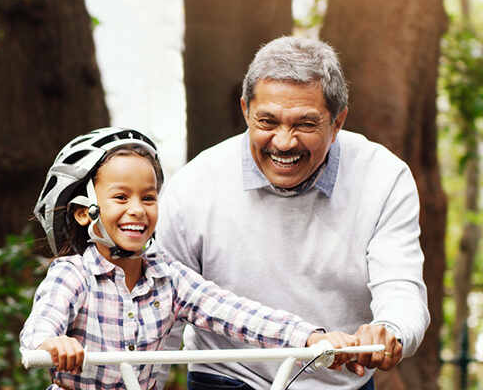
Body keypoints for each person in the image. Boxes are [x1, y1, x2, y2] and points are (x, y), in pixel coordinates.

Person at [155, 36, 431, 390]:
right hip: (226, 378)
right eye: (267, 121)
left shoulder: (382, 177)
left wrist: (391, 330)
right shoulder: (195, 184)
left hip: (338, 383)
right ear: (245, 111)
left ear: (338, 122)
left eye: (305, 124)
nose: (284, 142)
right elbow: (162, 308)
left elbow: (401, 287)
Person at [20, 127, 358, 390]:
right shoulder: (73, 275)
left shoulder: (168, 278)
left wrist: (311, 337)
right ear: (84, 212)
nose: (137, 210)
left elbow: (235, 312)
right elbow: (40, 326)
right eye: (120, 197)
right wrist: (52, 342)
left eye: (148, 197)